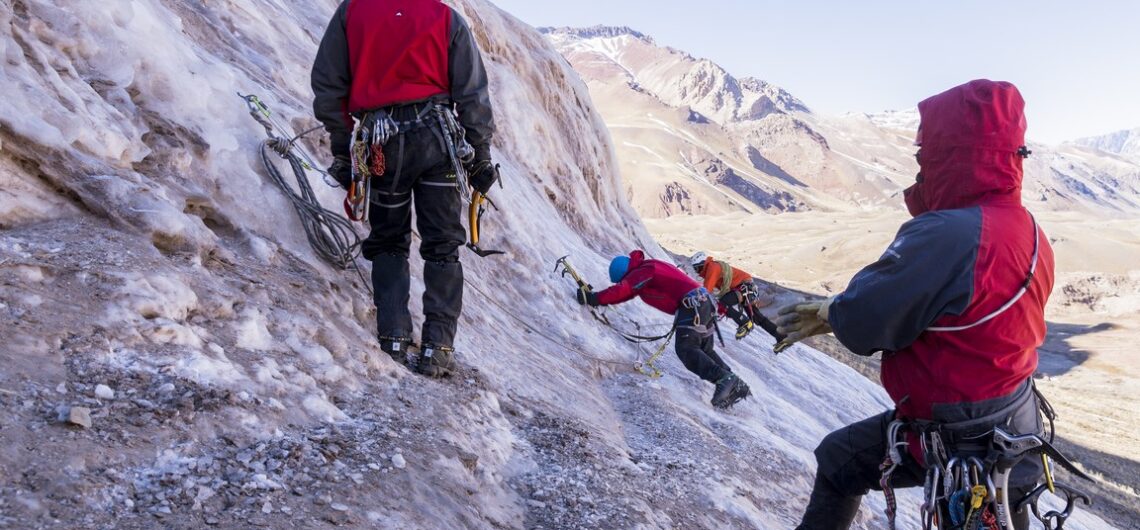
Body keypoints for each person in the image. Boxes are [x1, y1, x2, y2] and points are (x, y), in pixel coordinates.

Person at [775, 80, 1054, 529]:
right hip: (1014, 424)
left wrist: (832, 313)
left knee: (839, 462)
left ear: (952, 156)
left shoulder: (948, 233)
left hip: (961, 437)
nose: (920, 164)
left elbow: (866, 320)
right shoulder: (1027, 229)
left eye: (927, 154)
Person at [311, 0, 498, 377]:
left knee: (389, 240)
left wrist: (342, 148)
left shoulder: (353, 12)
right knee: (443, 245)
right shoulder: (444, 17)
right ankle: (438, 348)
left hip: (382, 144)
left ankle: (393, 337)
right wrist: (479, 153)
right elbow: (471, 91)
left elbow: (330, 83)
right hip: (437, 141)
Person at [576, 250, 752, 409]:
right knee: (703, 349)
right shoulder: (649, 266)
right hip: (703, 303)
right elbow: (630, 290)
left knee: (686, 348)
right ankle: (735, 383)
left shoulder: (643, 271)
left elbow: (625, 289)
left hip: (692, 305)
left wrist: (594, 298)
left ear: (625, 273)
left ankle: (725, 379)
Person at [689, 252, 785, 343]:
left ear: (703, 264)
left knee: (722, 303)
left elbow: (706, 290)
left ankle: (744, 322)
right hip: (746, 287)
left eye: (697, 268)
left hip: (742, 287)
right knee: (756, 317)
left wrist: (696, 301)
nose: (697, 271)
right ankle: (782, 337)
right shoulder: (713, 266)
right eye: (695, 269)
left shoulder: (712, 267)